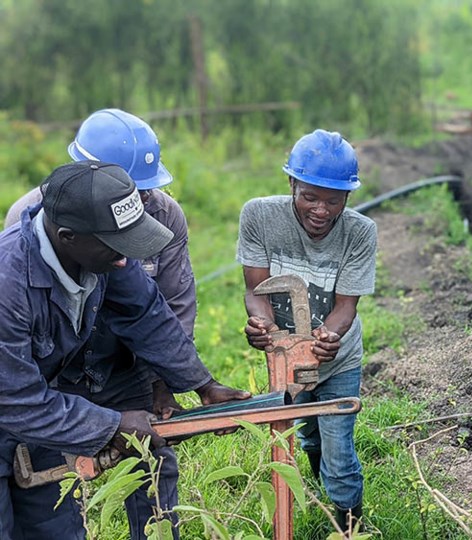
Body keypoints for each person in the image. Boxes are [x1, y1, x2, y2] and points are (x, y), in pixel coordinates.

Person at [0, 161, 249, 539]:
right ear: (67, 236)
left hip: (32, 425)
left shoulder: (102, 255)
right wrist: (113, 425)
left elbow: (145, 312)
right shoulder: (8, 285)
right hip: (16, 405)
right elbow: (15, 401)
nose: (124, 258)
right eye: (117, 245)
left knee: (56, 530)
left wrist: (202, 384)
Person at [237, 129, 377, 531]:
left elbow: (345, 307)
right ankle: (320, 497)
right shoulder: (260, 216)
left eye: (333, 201)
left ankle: (349, 525)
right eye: (310, 196)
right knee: (307, 439)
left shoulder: (360, 232)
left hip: (337, 361)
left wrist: (326, 340)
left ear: (347, 198)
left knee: (338, 453)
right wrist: (264, 326)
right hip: (287, 362)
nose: (321, 209)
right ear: (292, 184)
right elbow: (255, 291)